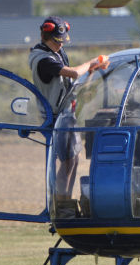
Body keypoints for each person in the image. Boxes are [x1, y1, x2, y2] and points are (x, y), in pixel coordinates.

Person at [27, 16, 109, 212]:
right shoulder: (44, 59)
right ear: (46, 37)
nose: (60, 45)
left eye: (62, 41)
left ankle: (65, 200)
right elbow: (72, 73)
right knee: (67, 160)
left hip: (67, 114)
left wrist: (91, 71)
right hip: (56, 117)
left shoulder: (57, 53)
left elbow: (70, 82)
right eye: (56, 41)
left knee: (73, 159)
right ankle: (61, 203)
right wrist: (91, 62)